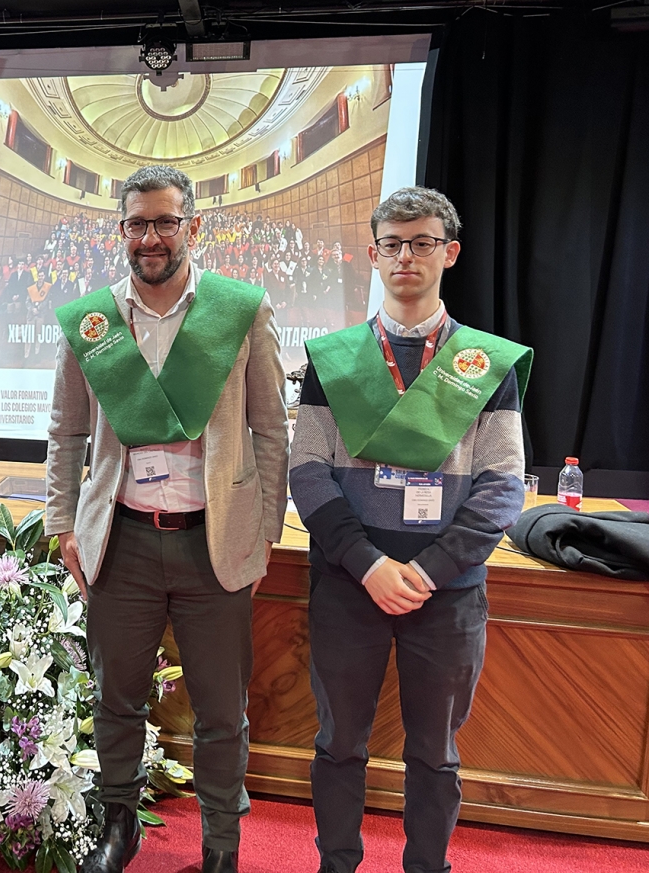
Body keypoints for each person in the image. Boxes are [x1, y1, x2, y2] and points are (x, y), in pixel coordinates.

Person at [46, 165, 289, 873]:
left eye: (165, 222)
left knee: (221, 710)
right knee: (115, 696)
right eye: (137, 224)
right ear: (120, 230)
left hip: (212, 543)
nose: (151, 237)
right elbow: (64, 434)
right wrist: (65, 523)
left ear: (193, 226)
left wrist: (265, 529)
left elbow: (271, 429)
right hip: (120, 541)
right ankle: (117, 825)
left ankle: (221, 842)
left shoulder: (241, 309)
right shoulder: (91, 320)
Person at [289, 187, 531, 873]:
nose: (406, 256)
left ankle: (429, 865)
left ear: (449, 253)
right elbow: (307, 469)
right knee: (339, 743)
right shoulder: (333, 360)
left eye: (422, 242)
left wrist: (426, 571)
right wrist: (367, 562)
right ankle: (337, 862)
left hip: (447, 590)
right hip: (347, 581)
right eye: (392, 244)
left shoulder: (485, 366)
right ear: (372, 253)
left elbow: (501, 486)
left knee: (434, 750)